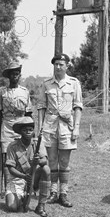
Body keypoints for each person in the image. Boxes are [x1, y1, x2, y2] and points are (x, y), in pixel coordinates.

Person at [36, 53, 83, 208]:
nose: (58, 67)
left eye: (61, 64)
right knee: (52, 161)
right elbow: (41, 107)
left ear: (67, 66)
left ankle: (64, 193)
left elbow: (78, 107)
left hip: (66, 126)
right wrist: (40, 128)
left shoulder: (74, 83)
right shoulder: (46, 84)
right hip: (50, 126)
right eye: (56, 64)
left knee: (64, 161)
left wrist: (76, 127)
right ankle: (53, 192)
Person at [0, 61, 33, 187]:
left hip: (21, 123)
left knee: (22, 153)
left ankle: (24, 182)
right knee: (6, 155)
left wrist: (30, 131)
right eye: (12, 74)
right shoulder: (2, 92)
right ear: (8, 76)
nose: (14, 76)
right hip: (7, 125)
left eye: (17, 74)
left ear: (20, 75)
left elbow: (28, 115)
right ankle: (7, 186)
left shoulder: (25, 91)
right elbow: (0, 114)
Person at [5, 117, 50, 217]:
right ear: (20, 132)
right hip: (17, 179)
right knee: (12, 207)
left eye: (30, 129)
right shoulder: (12, 146)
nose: (28, 132)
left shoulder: (37, 143)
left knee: (46, 169)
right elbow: (10, 169)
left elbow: (44, 161)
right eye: (25, 130)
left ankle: (41, 206)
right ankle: (20, 197)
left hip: (33, 177)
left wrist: (37, 161)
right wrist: (24, 176)